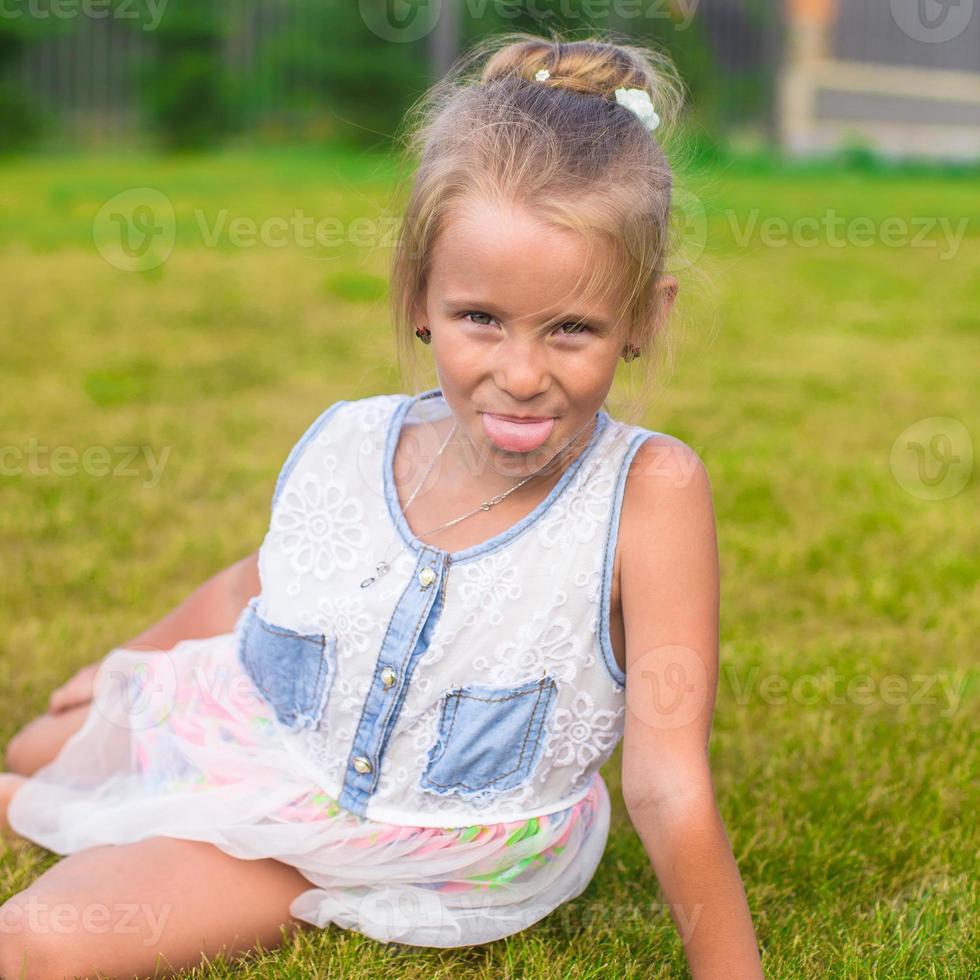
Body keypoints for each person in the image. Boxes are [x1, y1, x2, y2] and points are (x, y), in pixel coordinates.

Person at [0, 30, 764, 979]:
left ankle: (207, 855)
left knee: (35, 942)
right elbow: (257, 582)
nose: (521, 375)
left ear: (645, 317)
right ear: (419, 296)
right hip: (277, 740)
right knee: (39, 751)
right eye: (480, 319)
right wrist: (131, 662)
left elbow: (667, 782)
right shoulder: (354, 441)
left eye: (573, 329)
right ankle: (136, 747)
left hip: (419, 836)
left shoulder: (653, 493)